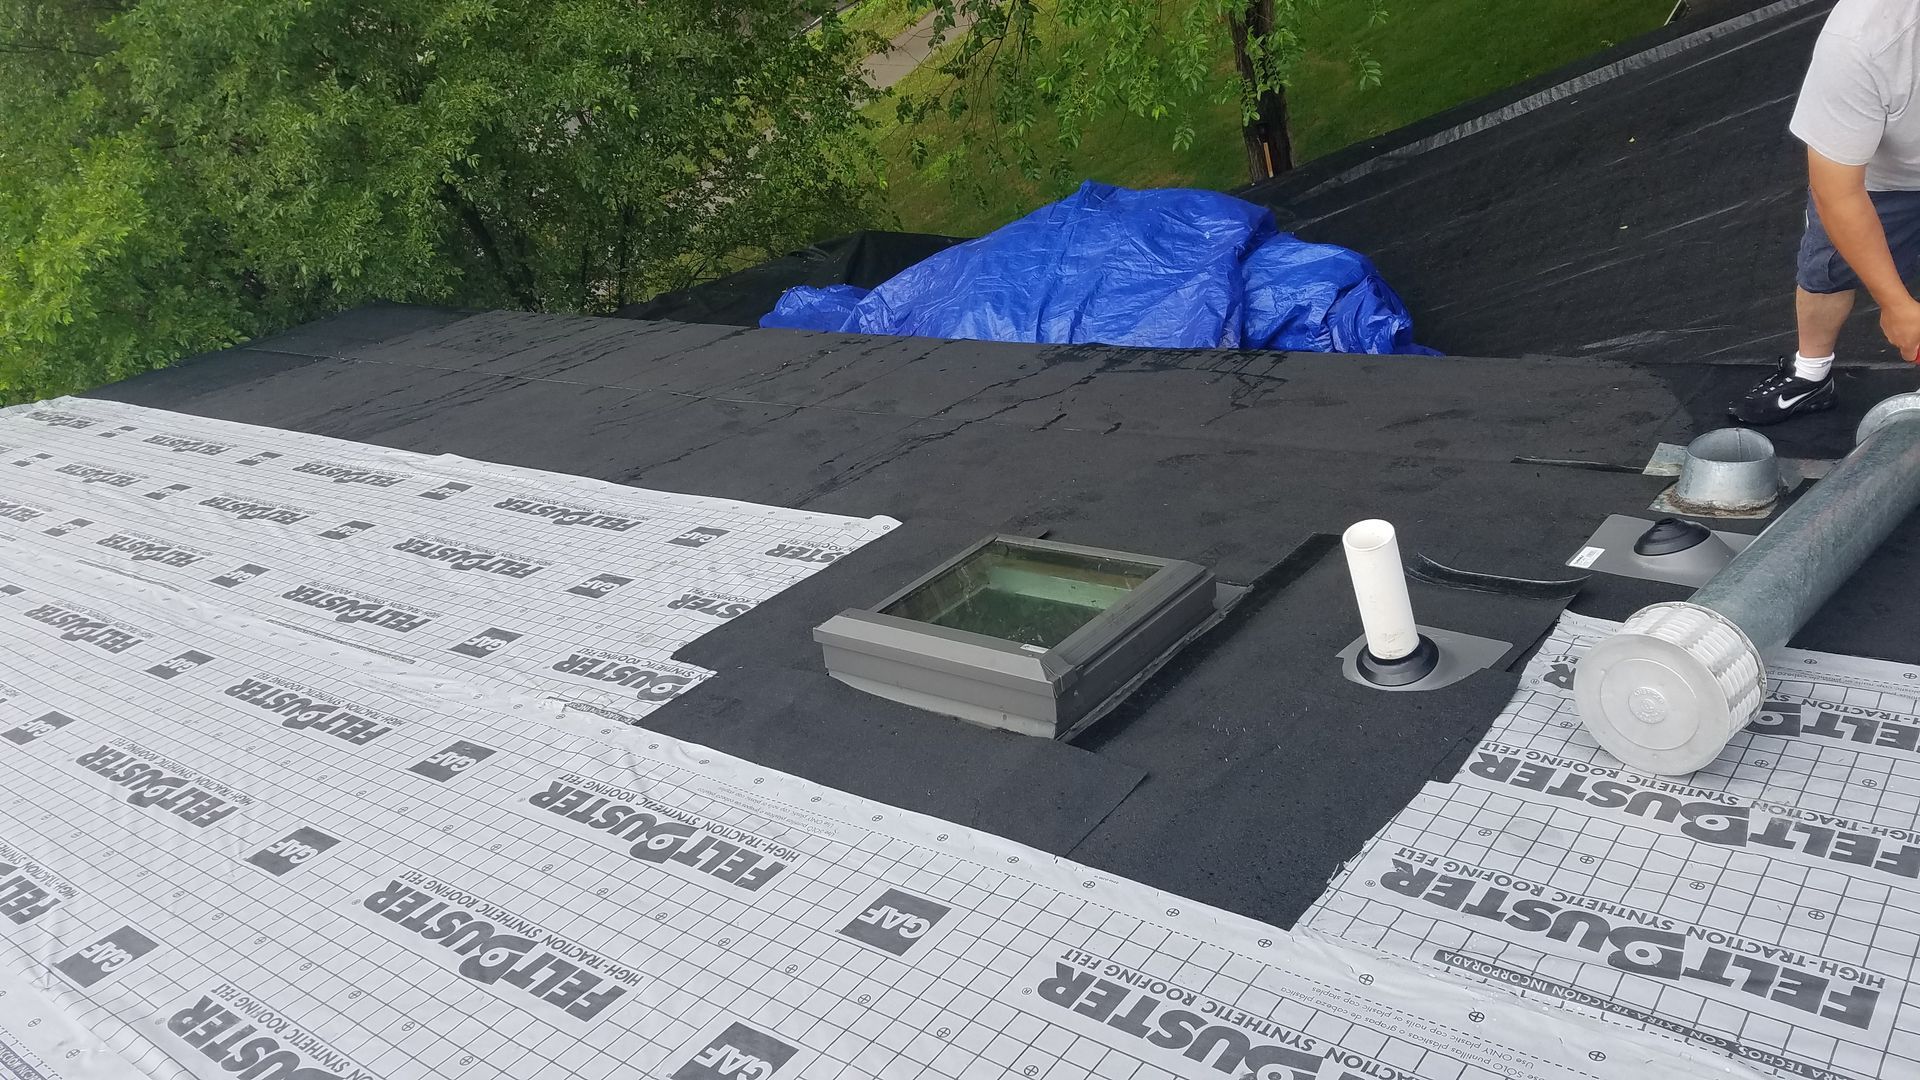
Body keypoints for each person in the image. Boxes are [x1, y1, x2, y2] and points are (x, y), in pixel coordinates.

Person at [1731, 0, 1920, 425]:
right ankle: (1811, 375)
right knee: (1828, 266)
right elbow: (1838, 195)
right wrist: (1898, 305)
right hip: (1887, 180)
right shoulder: (1858, 42)